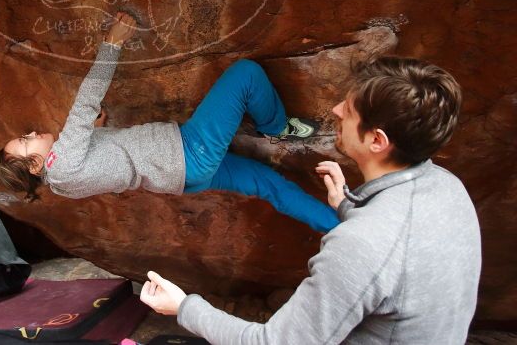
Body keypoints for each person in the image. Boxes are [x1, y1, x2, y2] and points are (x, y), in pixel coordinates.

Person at [140, 56, 482, 344]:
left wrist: (183, 307)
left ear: (377, 141)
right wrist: (348, 207)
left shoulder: (360, 246)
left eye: (349, 111)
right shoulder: (448, 187)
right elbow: (395, 255)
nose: (336, 110)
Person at [0, 11, 339, 233]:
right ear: (36, 166)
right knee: (246, 75)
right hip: (189, 152)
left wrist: (96, 132)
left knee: (269, 185)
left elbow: (104, 168)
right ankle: (277, 128)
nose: (32, 133)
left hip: (182, 176)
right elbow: (85, 102)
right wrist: (112, 43)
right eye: (26, 141)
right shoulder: (60, 163)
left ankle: (339, 228)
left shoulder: (61, 184)